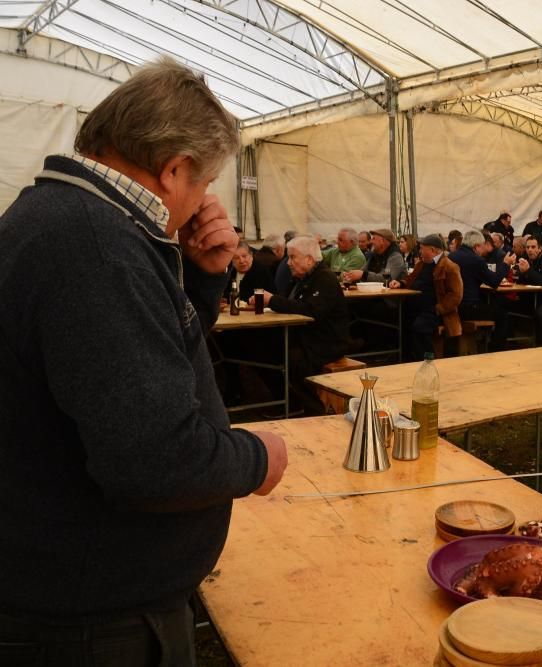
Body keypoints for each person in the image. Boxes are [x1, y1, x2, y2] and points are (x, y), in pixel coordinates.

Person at [0, 56, 287, 664]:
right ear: (174, 169)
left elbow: (139, 362)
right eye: (205, 183)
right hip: (92, 624)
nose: (206, 199)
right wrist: (259, 459)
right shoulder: (95, 247)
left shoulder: (71, 222)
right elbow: (155, 461)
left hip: (78, 594)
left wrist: (203, 280)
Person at [254, 236, 359, 414]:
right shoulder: (300, 279)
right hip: (306, 337)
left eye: (293, 257)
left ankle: (313, 408)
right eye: (288, 257)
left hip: (326, 342)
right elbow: (292, 304)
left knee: (292, 357)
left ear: (309, 259)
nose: (288, 263)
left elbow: (311, 311)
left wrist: (271, 300)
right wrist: (269, 301)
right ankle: (287, 399)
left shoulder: (324, 278)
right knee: (259, 347)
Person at [390, 234, 463, 359]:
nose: (420, 251)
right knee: (396, 320)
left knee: (420, 327)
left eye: (422, 248)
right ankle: (406, 359)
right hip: (415, 308)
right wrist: (400, 283)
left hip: (436, 311)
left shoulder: (449, 267)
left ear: (433, 250)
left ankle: (427, 360)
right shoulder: (422, 264)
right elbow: (410, 279)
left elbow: (456, 295)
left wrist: (438, 309)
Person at [450, 229, 508, 324]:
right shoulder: (476, 260)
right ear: (476, 246)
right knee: (502, 314)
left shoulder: (451, 257)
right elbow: (494, 282)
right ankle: (495, 339)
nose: (483, 250)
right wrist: (505, 264)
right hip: (468, 308)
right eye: (482, 246)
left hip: (452, 306)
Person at [517, 237, 542, 346]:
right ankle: (511, 343)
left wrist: (528, 271)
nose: (530, 250)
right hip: (529, 299)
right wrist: (522, 273)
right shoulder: (525, 259)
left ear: (539, 249)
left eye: (533, 247)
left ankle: (541, 345)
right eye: (527, 247)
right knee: (504, 306)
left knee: (540, 313)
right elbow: (520, 283)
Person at [342, 228, 407, 285]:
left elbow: (386, 279)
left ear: (383, 241)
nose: (370, 241)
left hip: (388, 297)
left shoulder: (395, 256)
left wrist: (363, 275)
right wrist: (351, 276)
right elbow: (362, 271)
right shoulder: (374, 254)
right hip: (374, 294)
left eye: (374, 239)